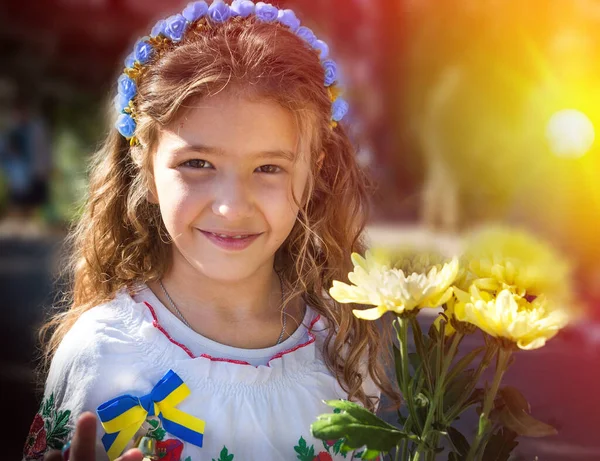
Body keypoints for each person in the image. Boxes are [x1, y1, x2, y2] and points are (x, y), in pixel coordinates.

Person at [23, 1, 398, 460]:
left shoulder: (342, 352)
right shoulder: (103, 354)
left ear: (313, 172)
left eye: (268, 167)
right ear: (145, 166)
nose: (231, 206)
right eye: (197, 164)